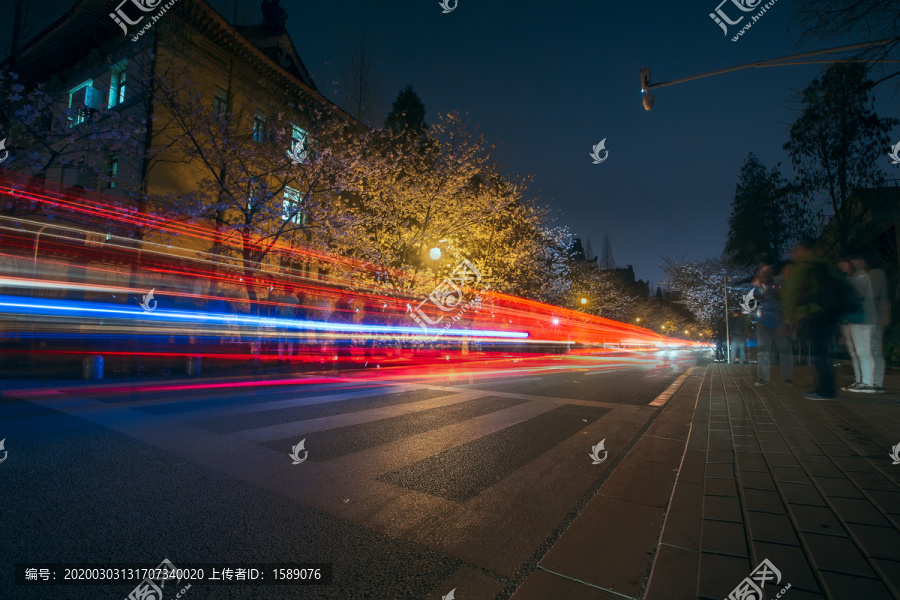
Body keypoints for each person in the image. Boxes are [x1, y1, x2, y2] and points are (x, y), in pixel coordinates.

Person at [781, 240, 845, 400]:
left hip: (812, 313)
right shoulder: (827, 264)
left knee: (817, 352)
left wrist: (788, 317)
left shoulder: (802, 267)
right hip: (830, 313)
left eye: (796, 251)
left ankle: (825, 390)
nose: (794, 254)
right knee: (823, 351)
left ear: (803, 250)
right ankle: (828, 388)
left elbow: (791, 293)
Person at [845, 253, 891, 393]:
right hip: (868, 316)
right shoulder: (862, 274)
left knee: (873, 350)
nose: (856, 262)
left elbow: (873, 295)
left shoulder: (875, 273)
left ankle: (875, 383)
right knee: (867, 350)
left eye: (859, 259)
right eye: (854, 260)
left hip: (874, 317)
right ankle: (869, 382)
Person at [754, 262, 794, 385]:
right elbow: (756, 299)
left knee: (785, 350)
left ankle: (787, 378)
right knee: (763, 351)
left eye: (765, 268)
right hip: (764, 321)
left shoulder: (779, 282)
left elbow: (785, 298)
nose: (763, 271)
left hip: (779, 320)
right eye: (761, 269)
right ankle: (763, 378)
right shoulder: (760, 285)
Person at [836, 258, 864, 392]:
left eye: (843, 263)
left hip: (856, 318)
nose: (841, 266)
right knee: (853, 350)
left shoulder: (859, 277)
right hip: (847, 319)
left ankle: (866, 381)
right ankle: (859, 380)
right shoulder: (847, 278)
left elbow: (858, 298)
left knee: (860, 350)